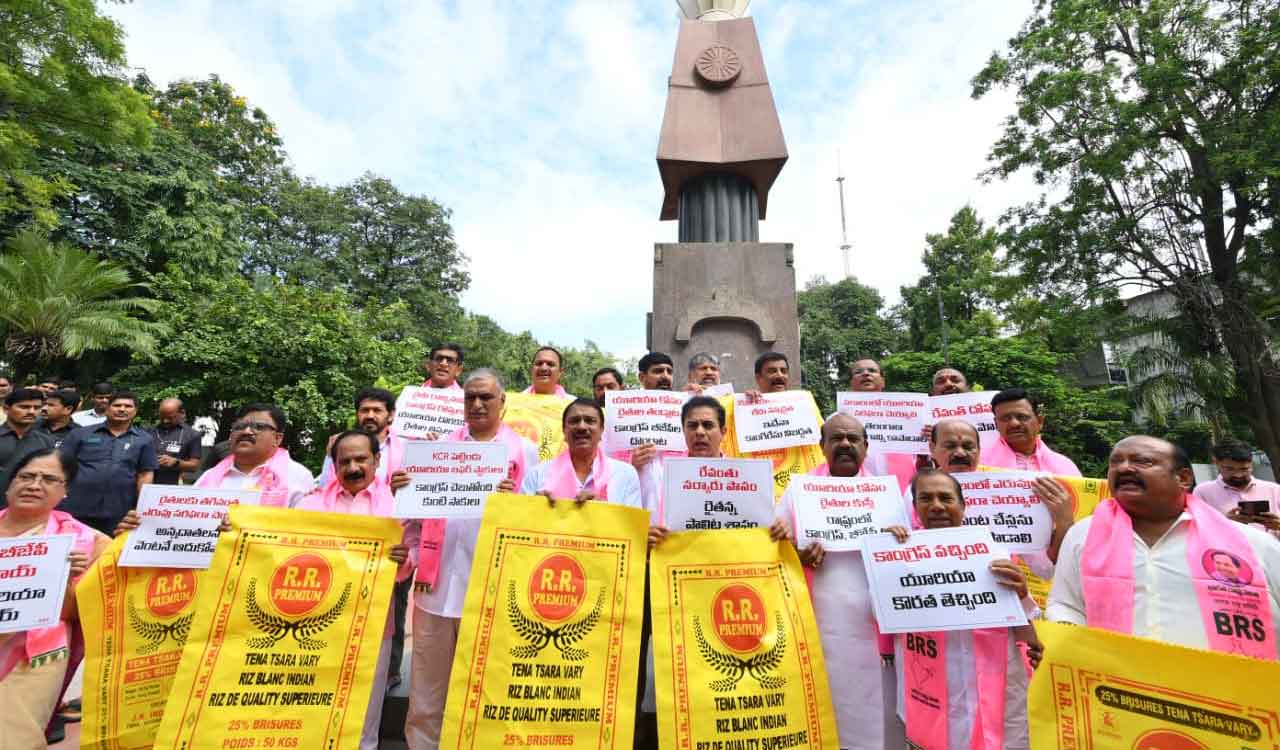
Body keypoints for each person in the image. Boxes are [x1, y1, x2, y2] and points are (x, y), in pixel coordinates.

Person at [1047, 436, 1280, 659]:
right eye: (1115, 462)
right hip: (1120, 689)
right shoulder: (1083, 535)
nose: (1124, 468)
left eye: (1143, 461)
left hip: (1230, 691)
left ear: (1184, 478)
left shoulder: (1254, 545)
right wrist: (1065, 644)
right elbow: (1065, 604)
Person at [403, 370, 539, 750]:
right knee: (427, 691)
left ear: (502, 403)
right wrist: (407, 488)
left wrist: (515, 504)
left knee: (487, 687)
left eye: (486, 398)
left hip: (491, 590)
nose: (477, 405)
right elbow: (412, 520)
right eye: (470, 398)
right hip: (436, 587)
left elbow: (534, 520)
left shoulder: (522, 451)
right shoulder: (437, 447)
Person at [888, 469, 1041, 750]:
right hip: (928, 692)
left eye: (946, 497)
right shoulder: (896, 555)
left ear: (963, 505)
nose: (936, 506)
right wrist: (886, 557)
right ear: (914, 507)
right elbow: (882, 615)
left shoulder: (995, 553)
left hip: (997, 694)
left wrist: (1020, 595)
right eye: (926, 498)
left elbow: (1029, 636)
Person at [774, 413, 887, 750]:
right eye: (836, 439)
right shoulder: (799, 491)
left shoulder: (888, 494)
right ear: (822, 446)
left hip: (876, 628)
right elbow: (775, 550)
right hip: (819, 621)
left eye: (853, 439)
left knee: (876, 714)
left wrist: (899, 540)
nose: (845, 445)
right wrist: (796, 553)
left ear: (866, 447)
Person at [295, 431, 410, 750]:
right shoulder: (308, 506)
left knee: (364, 714)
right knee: (313, 709)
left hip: (373, 627)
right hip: (315, 629)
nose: (353, 467)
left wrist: (404, 559)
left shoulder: (397, 506)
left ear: (377, 460)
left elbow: (407, 566)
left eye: (361, 459)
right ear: (334, 465)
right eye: (344, 461)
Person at [0, 448, 111, 748]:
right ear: (10, 484)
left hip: (33, 656)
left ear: (65, 491)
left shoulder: (88, 542)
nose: (34, 485)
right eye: (26, 476)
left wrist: (65, 580)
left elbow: (80, 613)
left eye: (48, 479)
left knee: (12, 735)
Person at [57, 392, 157, 535]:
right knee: (73, 548)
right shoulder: (80, 434)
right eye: (117, 405)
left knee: (109, 551)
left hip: (119, 508)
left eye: (128, 406)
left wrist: (141, 506)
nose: (122, 409)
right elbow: (61, 465)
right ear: (107, 408)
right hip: (76, 504)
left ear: (135, 411)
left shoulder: (144, 439)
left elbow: (145, 473)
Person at [522, 398, 643, 506]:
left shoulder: (625, 474)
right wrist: (535, 509)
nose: (581, 427)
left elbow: (631, 528)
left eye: (590, 421)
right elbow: (519, 525)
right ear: (564, 431)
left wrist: (605, 512)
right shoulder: (537, 475)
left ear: (602, 430)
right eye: (574, 421)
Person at [193, 403, 313, 507]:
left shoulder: (297, 477)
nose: (246, 431)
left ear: (277, 438)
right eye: (239, 427)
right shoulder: (209, 476)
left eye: (259, 427)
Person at [983, 388, 1081, 476]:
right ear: (996, 424)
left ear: (1040, 421)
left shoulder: (1065, 467)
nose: (1014, 424)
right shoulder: (978, 464)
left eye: (1022, 417)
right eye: (1005, 418)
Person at [1194, 438, 1280, 537]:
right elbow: (1197, 532)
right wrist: (1225, 523)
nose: (1238, 475)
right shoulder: (1203, 492)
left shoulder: (1275, 490)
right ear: (1216, 462)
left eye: (1244, 469)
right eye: (1229, 469)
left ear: (1251, 463)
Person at [318, 388, 405, 486]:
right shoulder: (339, 444)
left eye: (377, 410)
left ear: (391, 415)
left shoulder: (406, 446)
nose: (370, 416)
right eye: (365, 410)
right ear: (357, 414)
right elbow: (325, 486)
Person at [0, 388, 56, 495]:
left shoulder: (46, 441)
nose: (31, 411)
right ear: (6, 409)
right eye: (24, 407)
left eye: (37, 407)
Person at [148, 398, 204, 486]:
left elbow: (194, 466)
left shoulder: (192, 435)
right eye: (162, 417)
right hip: (147, 482)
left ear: (182, 413)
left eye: (170, 417)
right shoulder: (148, 432)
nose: (165, 421)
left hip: (173, 485)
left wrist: (176, 462)